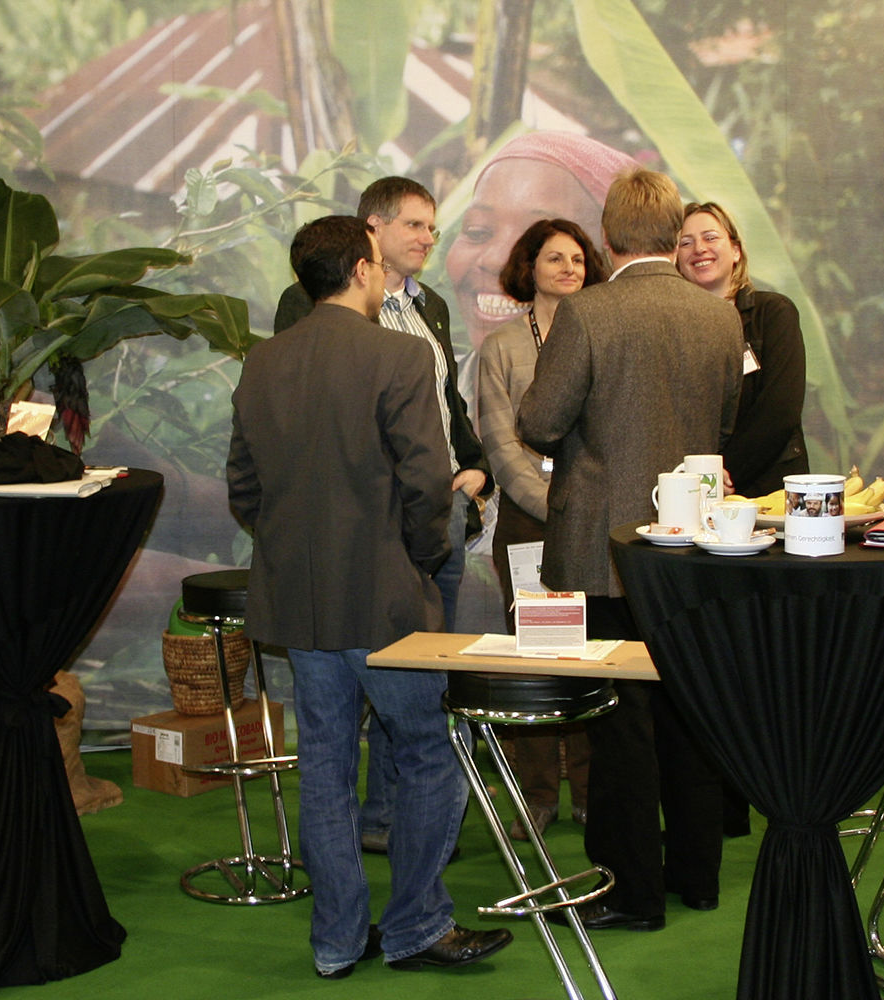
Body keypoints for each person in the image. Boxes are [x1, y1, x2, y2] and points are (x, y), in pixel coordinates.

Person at [227, 215, 512, 978]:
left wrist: (294, 546)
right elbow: (426, 483)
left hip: (301, 602)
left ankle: (337, 940)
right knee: (427, 756)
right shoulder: (399, 355)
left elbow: (244, 489)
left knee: (323, 764)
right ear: (361, 269)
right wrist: (418, 560)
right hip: (386, 597)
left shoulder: (264, 363)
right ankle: (417, 924)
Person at [517, 168, 744, 929]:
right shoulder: (720, 318)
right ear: (673, 233)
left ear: (608, 239)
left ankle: (628, 893)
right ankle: (698, 876)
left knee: (619, 724)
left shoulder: (587, 313)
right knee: (689, 713)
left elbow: (540, 423)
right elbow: (726, 421)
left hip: (603, 548)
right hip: (693, 546)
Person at [274, 176, 493, 852]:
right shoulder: (312, 303)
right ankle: (391, 834)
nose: (430, 238)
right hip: (371, 528)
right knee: (377, 695)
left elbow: (445, 399)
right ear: (373, 231)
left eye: (432, 227)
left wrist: (474, 465)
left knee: (421, 685)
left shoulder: (428, 305)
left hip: (442, 511)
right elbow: (309, 416)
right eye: (415, 226)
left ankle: (398, 821)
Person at [475, 218, 606, 841]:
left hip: (595, 518)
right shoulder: (501, 346)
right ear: (528, 268)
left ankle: (589, 790)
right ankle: (535, 794)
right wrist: (556, 502)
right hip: (531, 520)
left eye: (578, 258)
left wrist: (582, 503)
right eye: (555, 258)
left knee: (587, 654)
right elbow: (500, 444)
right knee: (533, 656)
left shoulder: (604, 334)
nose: (569, 268)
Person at [445, 130, 640, 406]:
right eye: (477, 231)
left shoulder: (621, 399)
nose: (496, 259)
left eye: (536, 241)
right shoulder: (432, 389)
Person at [676, 202, 808, 499]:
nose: (699, 248)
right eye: (686, 242)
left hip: (770, 493)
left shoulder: (773, 313)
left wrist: (724, 471)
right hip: (694, 494)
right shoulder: (669, 329)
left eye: (710, 237)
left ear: (735, 251)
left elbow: (780, 409)